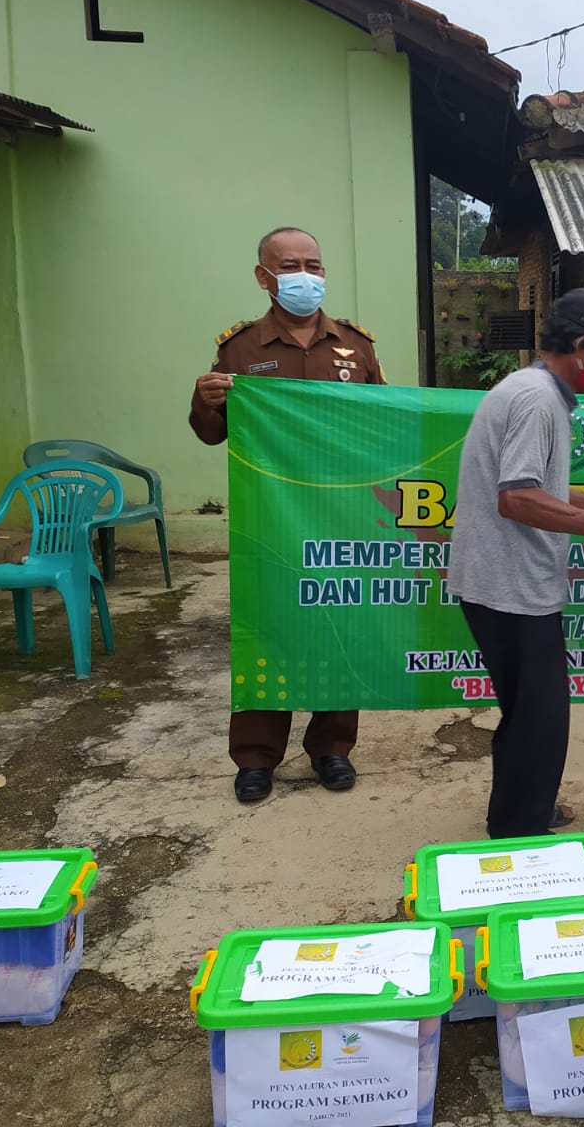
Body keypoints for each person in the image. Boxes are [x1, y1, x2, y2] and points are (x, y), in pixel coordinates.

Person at [449, 289, 584, 839]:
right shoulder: (537, 399)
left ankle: (527, 806)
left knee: (531, 709)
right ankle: (519, 831)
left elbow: (534, 483)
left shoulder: (535, 391)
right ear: (583, 345)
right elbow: (516, 498)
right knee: (538, 715)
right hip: (508, 583)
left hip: (505, 579)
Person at [190, 227, 385, 804]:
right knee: (268, 627)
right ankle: (255, 758)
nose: (306, 275)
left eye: (314, 265)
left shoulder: (357, 346)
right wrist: (204, 402)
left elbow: (383, 423)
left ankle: (332, 748)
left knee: (339, 624)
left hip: (341, 513)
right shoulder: (240, 349)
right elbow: (212, 433)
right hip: (269, 515)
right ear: (264, 276)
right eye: (292, 265)